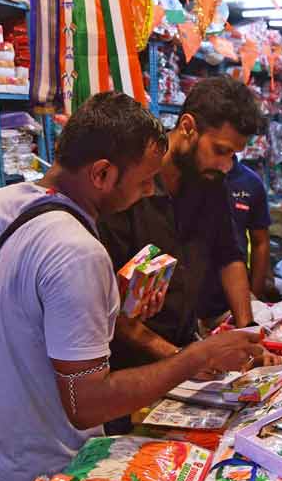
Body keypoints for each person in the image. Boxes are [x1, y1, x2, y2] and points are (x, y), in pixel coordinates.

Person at [0, 92, 264, 481]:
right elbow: (86, 404)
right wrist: (195, 357)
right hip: (40, 470)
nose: (146, 193)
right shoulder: (78, 252)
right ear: (102, 174)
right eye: (143, 183)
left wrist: (106, 304)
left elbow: (21, 310)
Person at [100, 77, 265, 374]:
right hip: (127, 363)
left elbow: (229, 255)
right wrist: (181, 359)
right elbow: (107, 302)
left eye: (232, 155)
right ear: (188, 127)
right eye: (219, 150)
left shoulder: (211, 182)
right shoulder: (129, 187)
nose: (227, 165)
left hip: (184, 342)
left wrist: (247, 331)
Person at [205, 157, 270, 318]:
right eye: (220, 150)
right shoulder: (192, 177)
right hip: (194, 290)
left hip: (233, 287)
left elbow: (260, 242)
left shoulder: (250, 182)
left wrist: (254, 294)